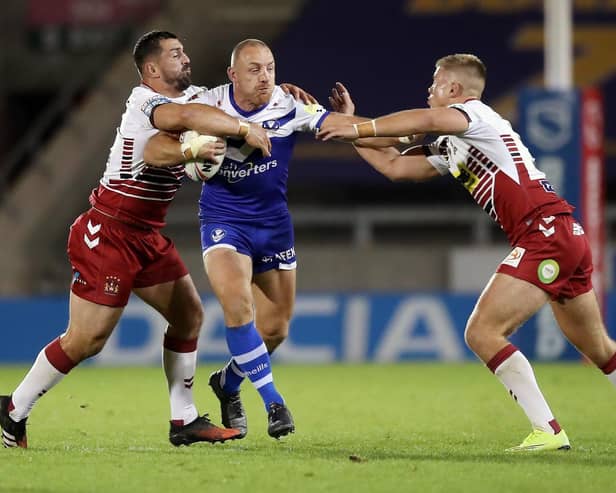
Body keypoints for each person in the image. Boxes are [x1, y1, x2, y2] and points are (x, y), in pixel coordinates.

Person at [317, 54, 616, 451]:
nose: (429, 91)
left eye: (435, 83)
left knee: (482, 331)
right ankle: (548, 431)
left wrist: (359, 127)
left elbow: (423, 122)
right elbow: (394, 165)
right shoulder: (455, 142)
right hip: (563, 236)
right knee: (601, 350)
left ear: (455, 91)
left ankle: (548, 430)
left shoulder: (475, 115)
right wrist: (354, 128)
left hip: (544, 235)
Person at [0, 30, 277, 449]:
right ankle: (13, 409)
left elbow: (239, 94)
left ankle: (183, 419)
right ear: (151, 69)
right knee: (87, 340)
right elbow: (167, 134)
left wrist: (283, 95)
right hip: (108, 230)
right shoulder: (143, 102)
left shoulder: (199, 96)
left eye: (185, 51)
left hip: (145, 235)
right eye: (175, 54)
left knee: (188, 316)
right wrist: (227, 134)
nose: (185, 58)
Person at [144, 39, 352, 440]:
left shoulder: (290, 105)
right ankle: (274, 403)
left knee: (274, 330)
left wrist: (353, 120)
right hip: (224, 222)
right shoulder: (208, 105)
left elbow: (343, 128)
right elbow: (155, 145)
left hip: (274, 227)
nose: (265, 77)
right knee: (239, 308)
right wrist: (194, 147)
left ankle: (227, 384)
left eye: (270, 68)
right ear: (232, 75)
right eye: (254, 69)